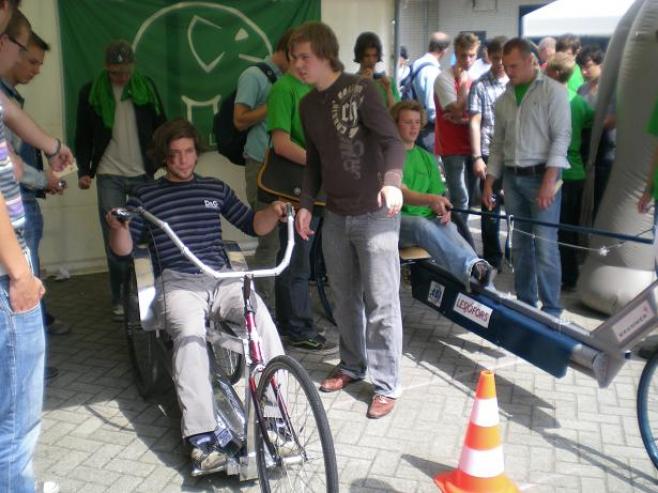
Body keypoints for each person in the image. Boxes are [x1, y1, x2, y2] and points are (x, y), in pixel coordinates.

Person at [106, 118, 286, 473]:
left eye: (188, 152)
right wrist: (118, 228)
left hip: (221, 278)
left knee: (261, 320)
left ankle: (275, 414)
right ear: (164, 156)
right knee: (190, 338)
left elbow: (253, 224)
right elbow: (124, 250)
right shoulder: (145, 197)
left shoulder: (215, 188)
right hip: (178, 282)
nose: (183, 160)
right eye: (174, 154)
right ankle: (201, 438)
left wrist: (274, 212)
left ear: (196, 152)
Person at [292, 21, 404, 419]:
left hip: (376, 214)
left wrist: (392, 182)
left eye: (304, 56)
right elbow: (315, 161)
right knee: (343, 298)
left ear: (325, 53)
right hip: (335, 216)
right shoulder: (307, 105)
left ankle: (387, 384)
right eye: (294, 57)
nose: (298, 64)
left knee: (381, 302)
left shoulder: (362, 89)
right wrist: (306, 203)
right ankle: (353, 365)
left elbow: (392, 141)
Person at [0, 2, 74, 491]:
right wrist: (21, 274)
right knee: (16, 421)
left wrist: (52, 146)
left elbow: (8, 112)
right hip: (6, 269)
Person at [75, 39, 165, 321]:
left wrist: (163, 161)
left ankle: (148, 293)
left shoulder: (146, 87)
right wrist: (84, 170)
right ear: (106, 67)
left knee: (149, 235)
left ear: (133, 66)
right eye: (115, 72)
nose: (121, 77)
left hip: (142, 173)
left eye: (125, 71)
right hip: (109, 174)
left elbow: (162, 126)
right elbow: (83, 135)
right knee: (115, 237)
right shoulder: (91, 92)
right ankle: (120, 297)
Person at [483, 38, 570, 317]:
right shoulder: (503, 99)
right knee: (519, 243)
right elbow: (497, 144)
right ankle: (525, 304)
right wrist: (489, 181)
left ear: (531, 60)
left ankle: (552, 310)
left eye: (514, 66)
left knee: (545, 244)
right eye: (505, 66)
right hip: (512, 177)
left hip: (543, 176)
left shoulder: (554, 92)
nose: (508, 71)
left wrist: (549, 180)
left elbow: (561, 138)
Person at [266, 42, 335, 353]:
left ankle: (288, 323)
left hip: (315, 185)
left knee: (295, 257)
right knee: (298, 260)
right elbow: (281, 144)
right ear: (292, 56)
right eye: (304, 56)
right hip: (296, 187)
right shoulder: (284, 89)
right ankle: (299, 328)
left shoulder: (315, 88)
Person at [1, 29, 70, 342]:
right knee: (22, 284)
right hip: (14, 206)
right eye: (30, 60)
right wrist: (44, 178)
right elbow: (10, 163)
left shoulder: (10, 98)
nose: (36, 69)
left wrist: (51, 149)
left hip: (23, 199)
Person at [393, 100, 493, 286]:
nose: (414, 127)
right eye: (407, 122)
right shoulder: (390, 155)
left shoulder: (427, 157)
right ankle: (468, 268)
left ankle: (482, 279)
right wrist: (432, 199)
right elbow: (402, 193)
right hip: (397, 222)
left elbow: (439, 194)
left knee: (449, 227)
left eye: (417, 122)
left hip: (429, 220)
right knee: (421, 225)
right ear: (395, 124)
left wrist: (443, 208)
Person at [234, 30, 291, 310]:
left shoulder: (292, 80)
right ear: (287, 51)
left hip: (288, 167)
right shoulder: (253, 76)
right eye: (299, 56)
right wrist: (274, 104)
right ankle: (261, 311)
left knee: (288, 242)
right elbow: (239, 120)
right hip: (261, 166)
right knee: (269, 243)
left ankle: (283, 309)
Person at [545, 53, 594, 290]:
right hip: (577, 173)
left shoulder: (549, 101)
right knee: (570, 228)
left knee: (551, 230)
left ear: (554, 73)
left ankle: (558, 276)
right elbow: (591, 125)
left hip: (555, 174)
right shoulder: (580, 102)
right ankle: (571, 276)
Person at [434, 31, 480, 247]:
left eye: (472, 55)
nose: (468, 60)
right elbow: (455, 110)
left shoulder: (473, 78)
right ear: (455, 53)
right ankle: (459, 243)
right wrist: (462, 91)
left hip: (473, 146)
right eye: (463, 55)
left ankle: (461, 241)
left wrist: (463, 119)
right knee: (460, 198)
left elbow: (473, 116)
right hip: (452, 147)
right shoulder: (444, 78)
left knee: (468, 199)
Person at [468, 36, 508, 271]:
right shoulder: (480, 85)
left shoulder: (515, 83)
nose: (500, 62)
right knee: (490, 206)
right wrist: (477, 157)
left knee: (515, 207)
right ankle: (493, 257)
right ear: (489, 57)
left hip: (513, 154)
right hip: (488, 152)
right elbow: (475, 122)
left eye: (503, 58)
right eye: (495, 58)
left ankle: (513, 252)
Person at [576, 44, 615, 216]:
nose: (584, 72)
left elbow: (614, 119)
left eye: (587, 66)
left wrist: (590, 124)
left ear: (601, 64)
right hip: (585, 149)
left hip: (606, 149)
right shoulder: (582, 89)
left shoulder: (612, 88)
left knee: (601, 196)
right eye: (581, 67)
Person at [410, 32, 450, 152]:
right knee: (430, 162)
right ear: (444, 50)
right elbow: (432, 108)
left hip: (416, 122)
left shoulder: (417, 64)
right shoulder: (433, 72)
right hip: (428, 131)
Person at [353, 31, 399, 108]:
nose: (371, 60)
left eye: (374, 56)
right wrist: (365, 85)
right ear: (360, 56)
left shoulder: (389, 82)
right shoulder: (352, 82)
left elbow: (396, 112)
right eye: (367, 56)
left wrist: (388, 90)